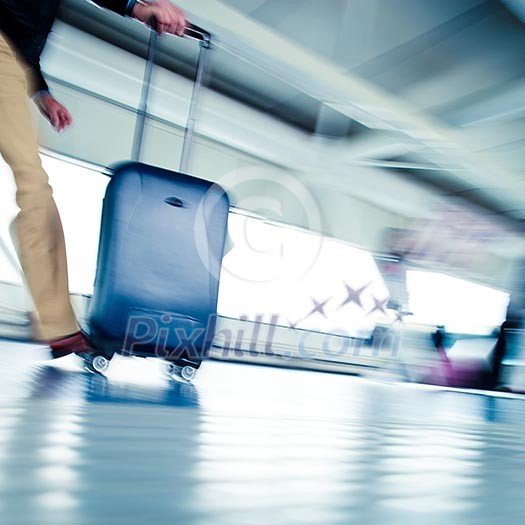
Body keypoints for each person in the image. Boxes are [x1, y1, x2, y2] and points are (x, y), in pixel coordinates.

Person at [0, 0, 187, 358]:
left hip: (13, 62)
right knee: (34, 186)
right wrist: (139, 7)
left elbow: (21, 34)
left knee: (34, 186)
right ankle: (58, 327)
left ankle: (58, 325)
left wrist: (41, 94)